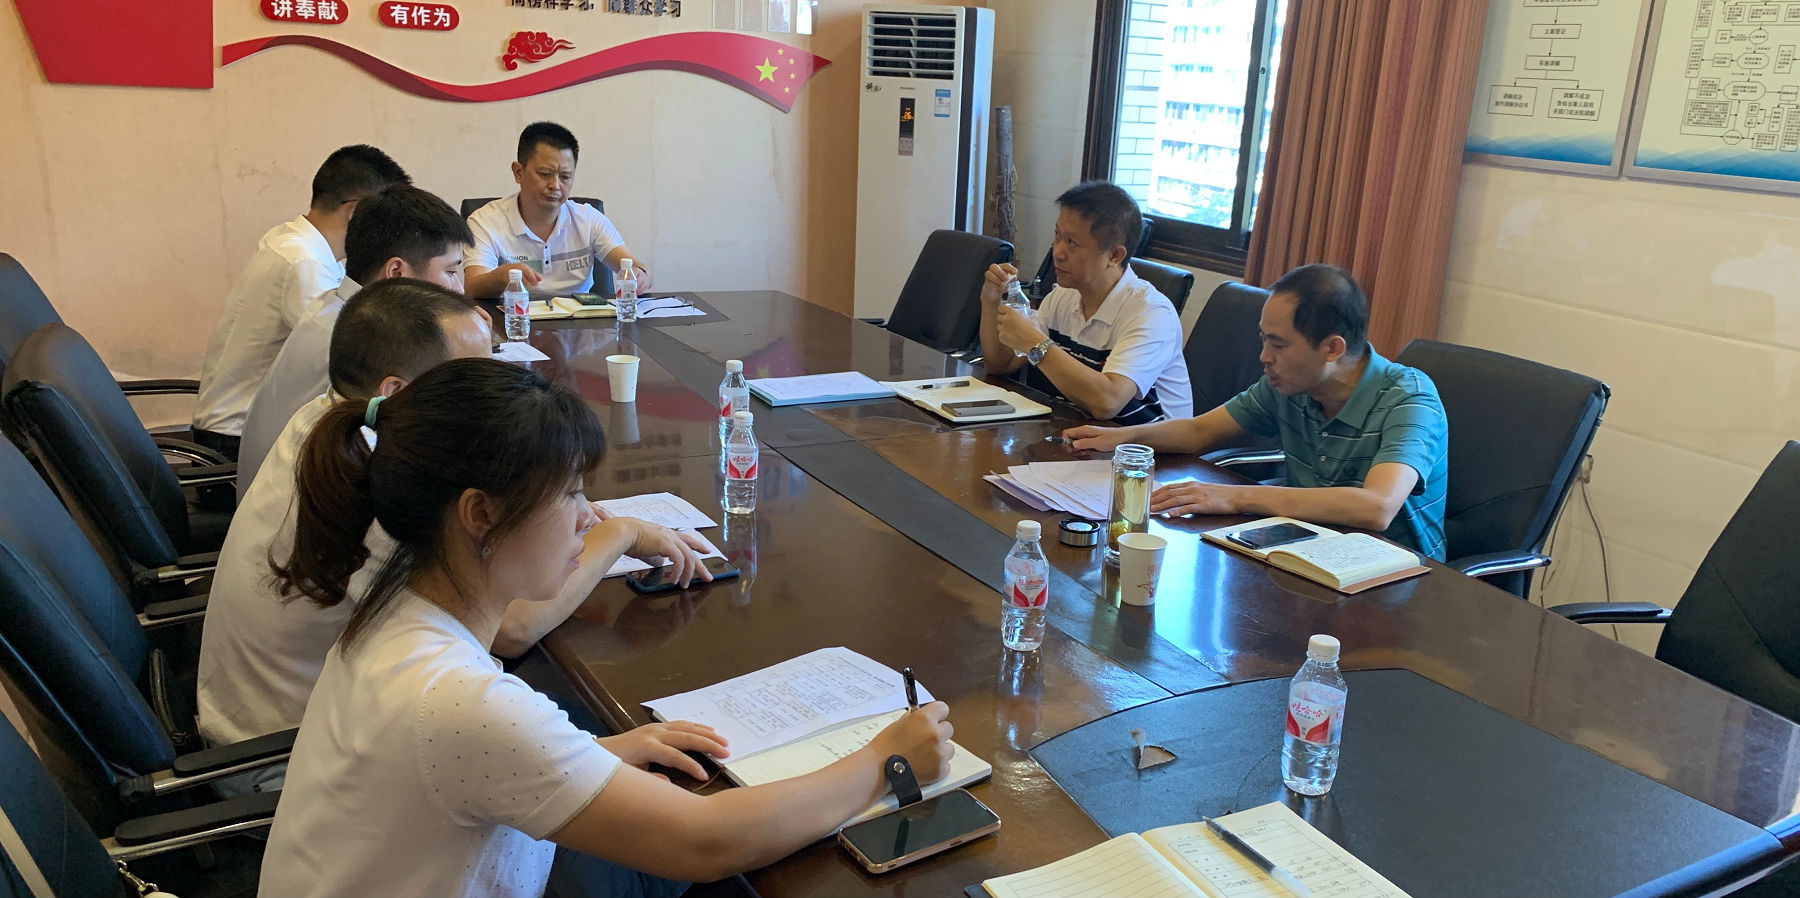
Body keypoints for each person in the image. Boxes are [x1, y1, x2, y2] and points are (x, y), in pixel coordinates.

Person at [258, 359, 953, 897]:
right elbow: (706, 843)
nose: (589, 517)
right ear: (479, 514)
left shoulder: (396, 607)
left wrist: (592, 753)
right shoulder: (456, 701)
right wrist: (885, 762)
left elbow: (451, 770)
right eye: (569, 493)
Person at [202, 280, 649, 786]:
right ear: (397, 392)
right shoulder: (378, 481)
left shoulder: (335, 422)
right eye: (472, 375)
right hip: (280, 760)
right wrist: (621, 535)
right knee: (597, 719)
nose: (493, 387)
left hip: (310, 718)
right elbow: (512, 629)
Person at [1066, 264, 1449, 559]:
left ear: (1332, 349)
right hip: (1311, 550)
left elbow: (1377, 507)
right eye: (1264, 340)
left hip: (1400, 574)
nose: (1264, 357)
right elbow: (1200, 433)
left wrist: (1235, 497)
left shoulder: (1409, 399)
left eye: (1278, 345)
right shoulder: (1290, 385)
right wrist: (1121, 437)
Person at [236, 185, 473, 494]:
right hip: (304, 500)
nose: (458, 290)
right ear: (397, 272)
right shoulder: (360, 340)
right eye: (451, 272)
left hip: (280, 488)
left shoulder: (335, 307)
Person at [192, 146, 409, 458]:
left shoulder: (297, 242)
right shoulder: (304, 260)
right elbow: (345, 358)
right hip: (235, 440)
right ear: (355, 212)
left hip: (242, 427)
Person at [979, 181, 1191, 426]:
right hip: (1072, 436)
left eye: (1072, 243)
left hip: (1142, 448)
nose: (1057, 252)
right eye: (1057, 236)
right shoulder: (1063, 296)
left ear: (1114, 256)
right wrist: (990, 301)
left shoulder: (1152, 314)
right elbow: (1001, 365)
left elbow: (1107, 402)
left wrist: (1035, 343)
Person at [463, 121, 651, 299]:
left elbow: (636, 267)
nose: (555, 185)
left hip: (580, 319)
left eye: (565, 177)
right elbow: (472, 288)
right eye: (545, 174)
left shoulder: (589, 219)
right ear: (518, 172)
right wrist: (501, 276)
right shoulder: (485, 221)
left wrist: (640, 275)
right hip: (514, 317)